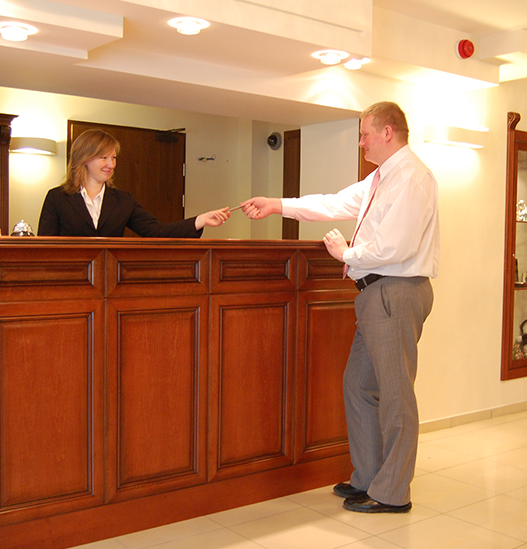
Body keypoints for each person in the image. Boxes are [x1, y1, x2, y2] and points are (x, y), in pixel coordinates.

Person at [240, 101, 439, 514]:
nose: (361, 142)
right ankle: (369, 478)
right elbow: (333, 203)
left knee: (396, 395)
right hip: (376, 294)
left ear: (387, 132)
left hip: (396, 292)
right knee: (357, 384)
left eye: (365, 134)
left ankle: (393, 493)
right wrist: (277, 204)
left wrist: (345, 253)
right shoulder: (381, 177)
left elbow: (396, 247)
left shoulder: (412, 177)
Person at [38, 129, 229, 237]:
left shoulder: (123, 200)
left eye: (114, 157)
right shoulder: (57, 198)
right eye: (104, 158)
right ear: (84, 159)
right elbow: (45, 248)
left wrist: (200, 220)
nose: (111, 164)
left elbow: (156, 231)